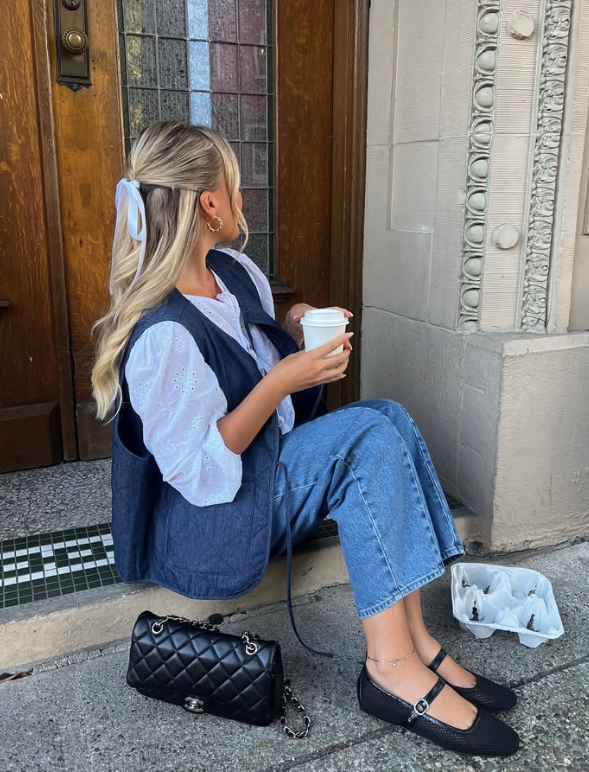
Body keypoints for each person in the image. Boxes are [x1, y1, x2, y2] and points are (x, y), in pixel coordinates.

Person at [91, 121, 519, 757]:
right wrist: (280, 381)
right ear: (208, 204)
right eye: (235, 190)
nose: (243, 202)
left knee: (389, 417)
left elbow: (258, 333)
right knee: (367, 441)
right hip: (214, 520)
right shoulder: (164, 335)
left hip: (266, 474)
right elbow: (200, 474)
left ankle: (417, 641)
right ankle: (390, 668)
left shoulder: (230, 273)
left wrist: (294, 321)